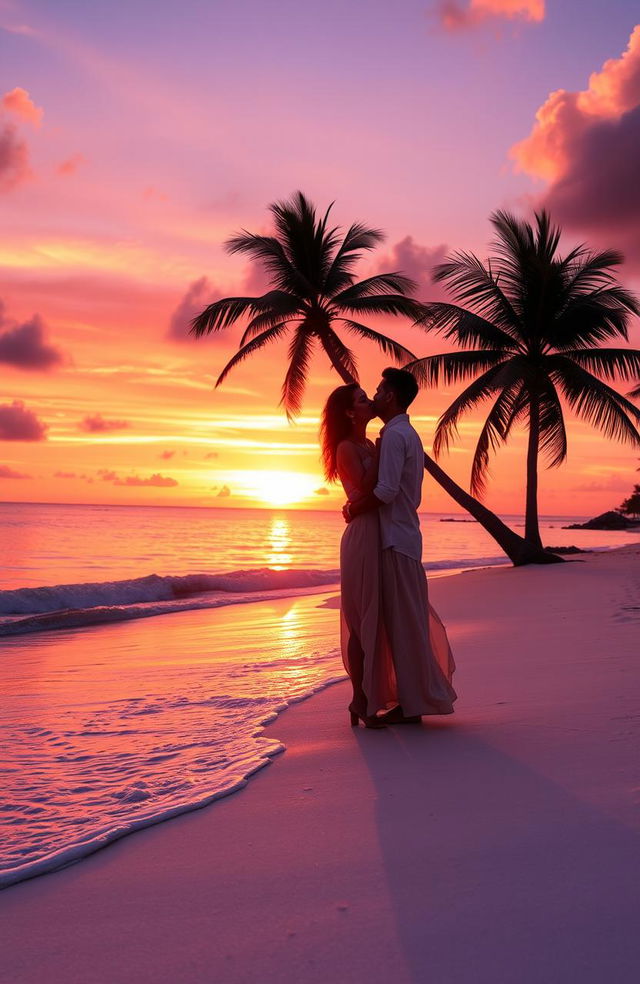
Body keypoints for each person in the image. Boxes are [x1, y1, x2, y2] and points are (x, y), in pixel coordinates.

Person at [345, 368, 457, 722]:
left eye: (378, 390)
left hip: (395, 540)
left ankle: (412, 706)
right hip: (402, 536)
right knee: (404, 623)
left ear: (390, 396)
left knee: (404, 625)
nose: (375, 396)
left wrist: (354, 507)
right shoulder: (400, 433)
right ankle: (408, 702)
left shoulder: (395, 436)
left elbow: (387, 491)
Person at [320, 383, 397, 728]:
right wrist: (383, 451)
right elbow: (366, 486)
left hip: (376, 530)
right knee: (360, 621)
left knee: (376, 618)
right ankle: (359, 701)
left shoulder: (366, 443)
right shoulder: (347, 447)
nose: (369, 402)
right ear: (350, 412)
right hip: (362, 535)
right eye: (363, 399)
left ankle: (373, 696)